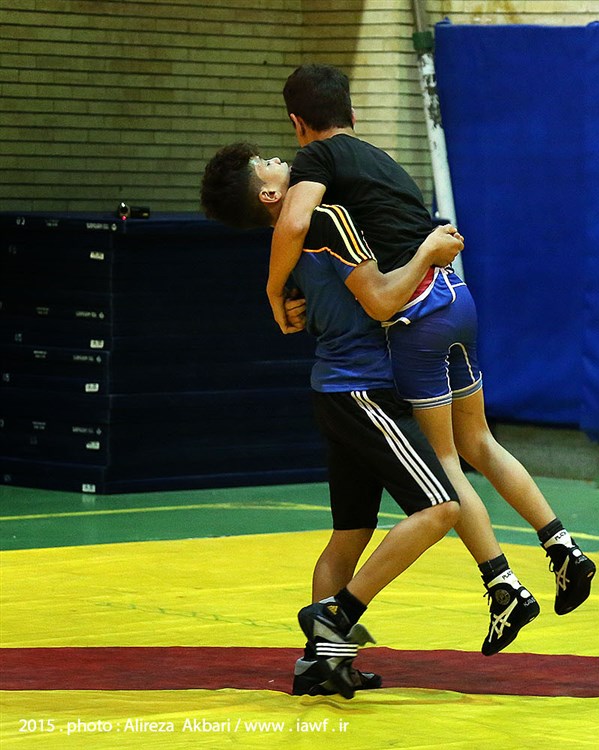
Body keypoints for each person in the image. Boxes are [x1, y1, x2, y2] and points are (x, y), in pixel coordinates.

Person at [267, 64, 596, 625]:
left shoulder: (317, 166)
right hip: (456, 297)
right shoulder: (380, 160)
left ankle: (502, 583)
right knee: (480, 440)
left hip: (417, 313)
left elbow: (297, 226)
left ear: (298, 125)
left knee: (445, 463)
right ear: (353, 113)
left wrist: (274, 291)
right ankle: (561, 545)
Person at [201, 142, 470, 698]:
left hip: (334, 390)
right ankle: (337, 615)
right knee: (442, 508)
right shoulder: (328, 219)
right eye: (268, 163)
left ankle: (317, 665)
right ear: (269, 192)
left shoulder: (287, 245)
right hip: (363, 391)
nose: (282, 160)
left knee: (349, 535)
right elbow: (381, 301)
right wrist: (427, 250)